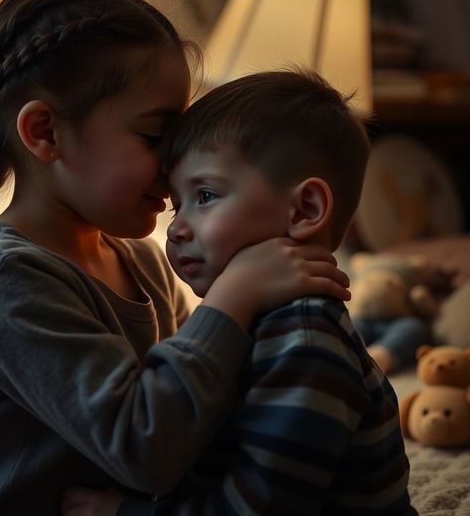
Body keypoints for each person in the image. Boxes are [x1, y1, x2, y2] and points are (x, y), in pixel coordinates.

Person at [0, 0, 349, 515]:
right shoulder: (5, 277)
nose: (173, 163)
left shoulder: (139, 261)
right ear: (46, 132)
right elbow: (147, 448)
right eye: (152, 136)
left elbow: (195, 396)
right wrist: (233, 296)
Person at [61, 71, 416, 516]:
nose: (177, 228)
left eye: (206, 195)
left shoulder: (305, 343)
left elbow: (256, 509)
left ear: (305, 210)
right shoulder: (243, 321)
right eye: (177, 203)